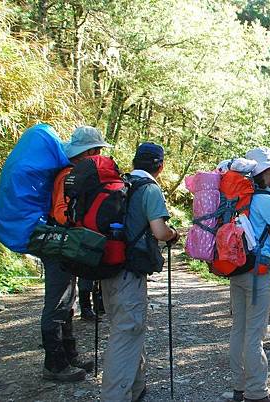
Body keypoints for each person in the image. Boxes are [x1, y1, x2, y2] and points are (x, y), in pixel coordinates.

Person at [100, 142, 180, 402]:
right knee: (127, 333)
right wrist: (173, 234)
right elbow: (159, 231)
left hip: (108, 267)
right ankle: (115, 396)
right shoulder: (149, 189)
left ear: (135, 162)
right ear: (160, 166)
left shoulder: (121, 183)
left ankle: (136, 387)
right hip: (130, 272)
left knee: (124, 328)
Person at [41, 126, 112, 382]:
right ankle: (55, 364)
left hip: (66, 244)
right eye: (98, 150)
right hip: (60, 245)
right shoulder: (68, 175)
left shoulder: (74, 174)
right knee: (58, 301)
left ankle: (69, 355)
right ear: (90, 151)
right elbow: (61, 212)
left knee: (67, 299)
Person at [228, 146, 270, 402]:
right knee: (254, 334)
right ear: (264, 173)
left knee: (238, 330)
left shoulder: (235, 197)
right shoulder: (265, 200)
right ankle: (257, 393)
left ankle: (238, 388)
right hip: (258, 272)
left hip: (236, 268)